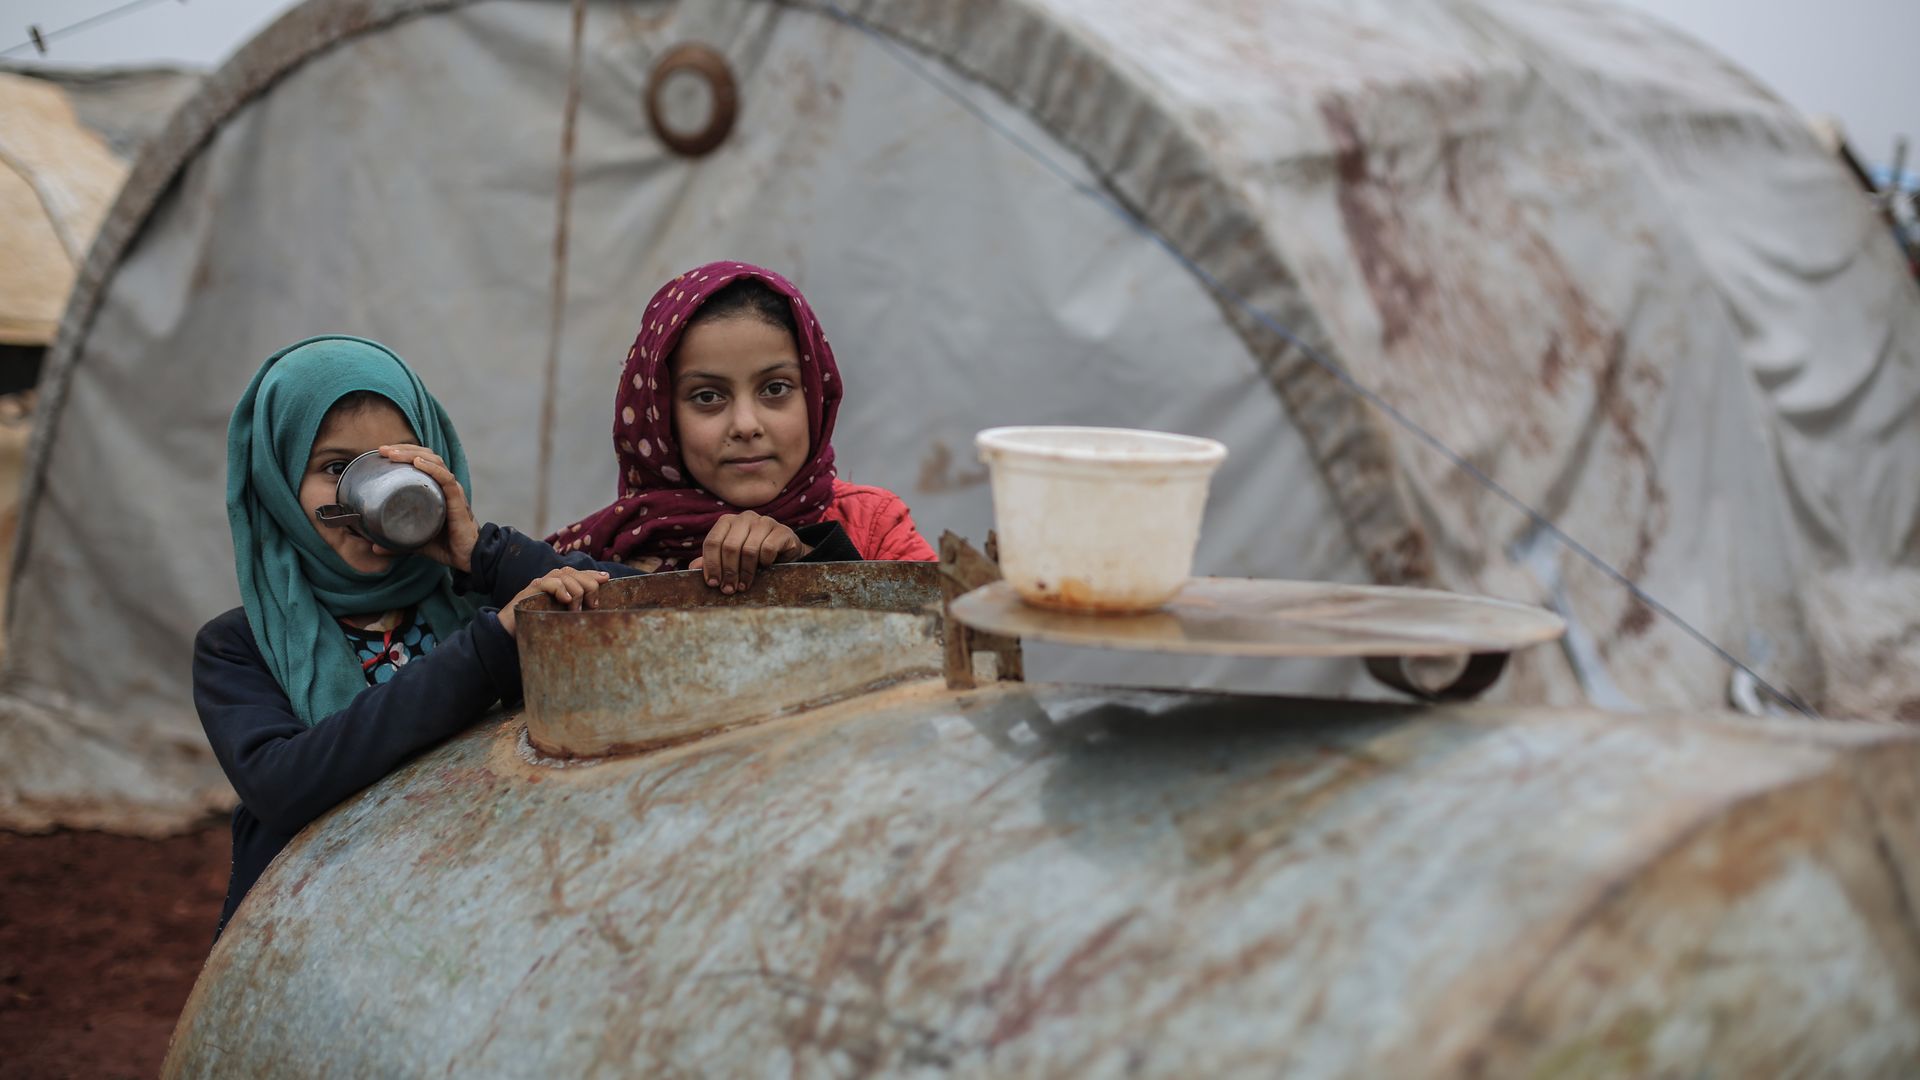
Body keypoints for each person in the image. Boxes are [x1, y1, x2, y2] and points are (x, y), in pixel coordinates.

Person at [192, 335, 616, 935]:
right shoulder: (240, 646)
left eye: (398, 465)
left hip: (481, 918)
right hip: (313, 940)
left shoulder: (478, 597)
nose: (373, 495)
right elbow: (284, 784)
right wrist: (486, 652)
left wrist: (482, 555)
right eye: (337, 468)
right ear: (278, 484)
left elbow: (638, 608)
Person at [549, 260, 936, 593]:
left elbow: (941, 649)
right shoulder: (601, 561)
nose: (746, 425)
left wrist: (812, 562)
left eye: (775, 389)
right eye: (707, 397)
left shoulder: (873, 526)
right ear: (661, 418)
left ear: (815, 395)